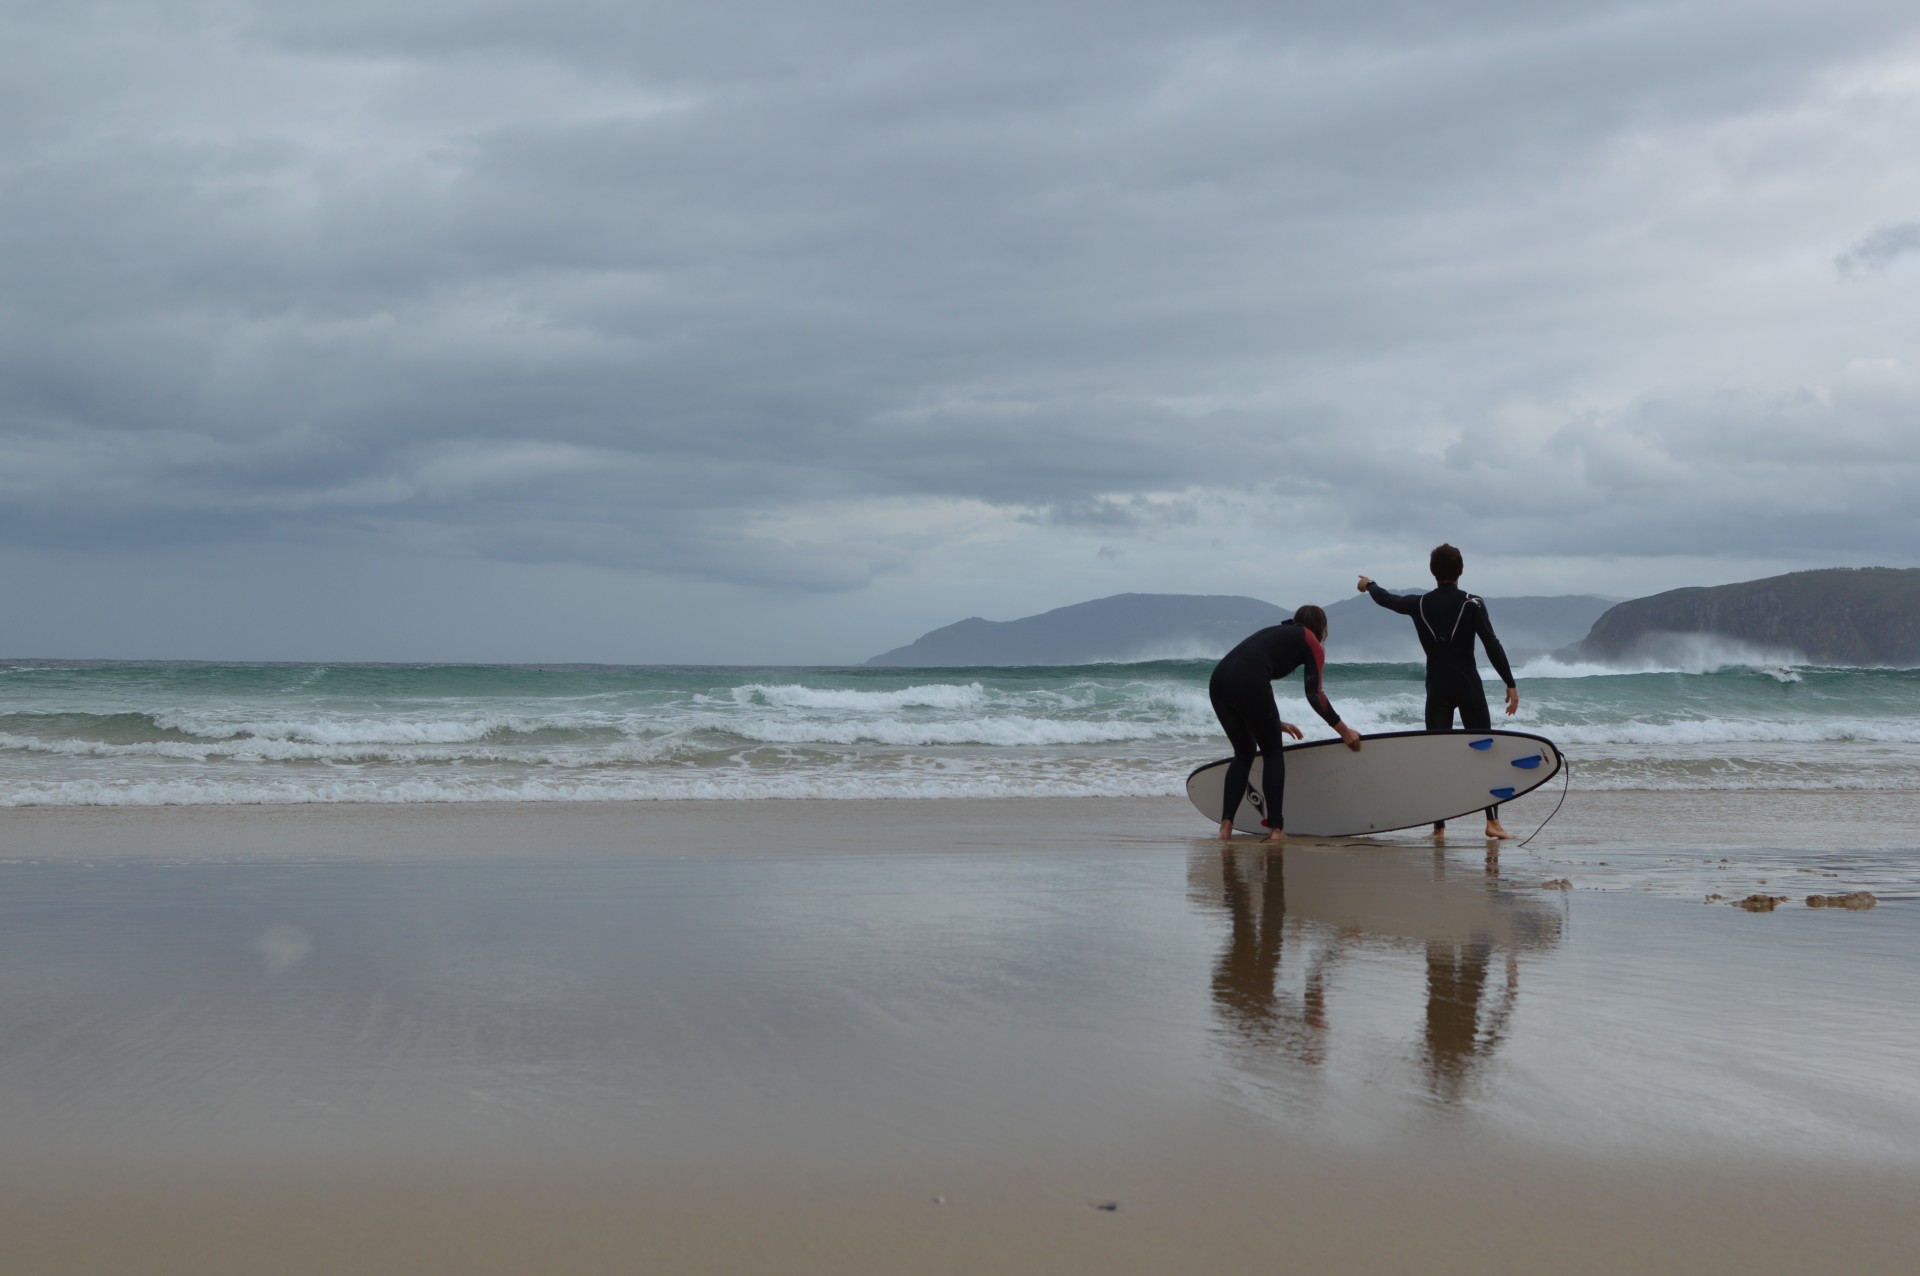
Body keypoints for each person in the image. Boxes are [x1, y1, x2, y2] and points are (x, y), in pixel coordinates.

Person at [1357, 543, 1519, 839]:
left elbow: (1388, 600)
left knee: (1437, 757)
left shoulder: (1419, 604)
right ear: (1461, 570)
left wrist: (1370, 585)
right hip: (1468, 685)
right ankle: (1492, 823)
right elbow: (1491, 644)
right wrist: (1510, 682)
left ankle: (1439, 827)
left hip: (1438, 688)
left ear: (1433, 572)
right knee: (1485, 752)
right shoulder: (1473, 603)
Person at [1208, 605, 1363, 841]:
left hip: (1219, 681)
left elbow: (1245, 678)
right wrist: (1344, 730)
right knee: (1272, 752)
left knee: (1244, 752)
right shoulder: (1310, 640)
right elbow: (1315, 695)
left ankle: (1225, 828)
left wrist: (1275, 723)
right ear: (1321, 627)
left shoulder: (1278, 633)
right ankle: (1276, 829)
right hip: (1246, 681)